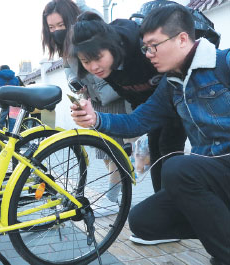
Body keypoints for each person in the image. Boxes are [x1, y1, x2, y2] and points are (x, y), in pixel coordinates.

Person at [71, 5, 230, 264]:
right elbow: (137, 121)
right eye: (145, 47)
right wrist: (95, 118)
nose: (148, 54)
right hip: (212, 177)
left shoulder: (223, 63)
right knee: (144, 221)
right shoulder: (171, 85)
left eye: (154, 45)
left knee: (177, 168)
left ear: (181, 39)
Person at [69, 7, 187, 197]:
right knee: (156, 150)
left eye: (97, 58)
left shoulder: (142, 48)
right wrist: (93, 117)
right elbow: (135, 111)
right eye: (85, 61)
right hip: (151, 108)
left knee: (168, 147)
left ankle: (173, 204)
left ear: (112, 46)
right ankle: (165, 203)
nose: (93, 67)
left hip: (176, 97)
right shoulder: (107, 66)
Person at [42, 0, 126, 202]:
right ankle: (118, 193)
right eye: (51, 27)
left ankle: (113, 197)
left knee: (114, 148)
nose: (56, 31)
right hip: (93, 97)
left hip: (113, 94)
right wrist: (74, 82)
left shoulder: (88, 23)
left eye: (60, 25)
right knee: (103, 150)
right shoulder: (63, 42)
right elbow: (67, 65)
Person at [0, 65, 20, 130]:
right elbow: (19, 90)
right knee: (13, 123)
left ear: (0, 70)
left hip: (1, 102)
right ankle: (11, 138)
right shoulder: (15, 78)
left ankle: (0, 137)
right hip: (13, 103)